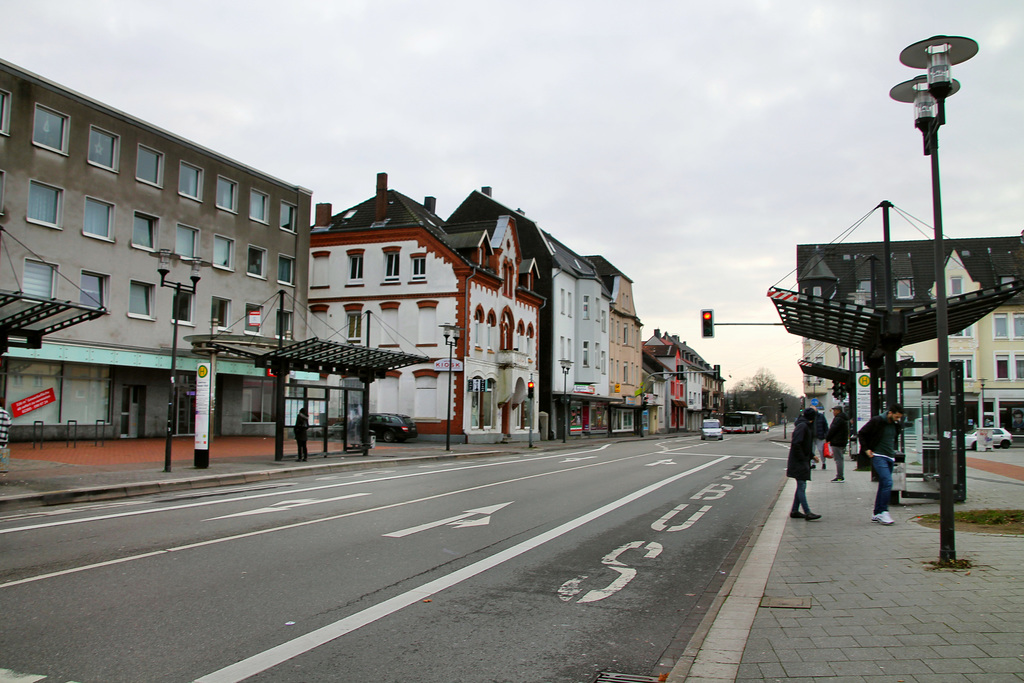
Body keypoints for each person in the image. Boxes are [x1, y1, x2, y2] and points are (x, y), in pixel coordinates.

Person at [857, 403, 905, 526]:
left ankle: (877, 513)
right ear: (890, 413)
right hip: (878, 456)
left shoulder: (895, 425)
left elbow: (893, 438)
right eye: (896, 417)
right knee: (888, 482)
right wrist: (866, 449)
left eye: (899, 418)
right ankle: (884, 511)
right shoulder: (877, 421)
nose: (897, 420)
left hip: (889, 456)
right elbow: (861, 433)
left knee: (884, 484)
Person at [787, 407, 822, 520]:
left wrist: (812, 456)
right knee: (802, 485)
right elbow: (797, 444)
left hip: (800, 460)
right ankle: (807, 512)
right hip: (799, 462)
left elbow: (803, 444)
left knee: (801, 485)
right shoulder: (803, 426)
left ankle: (795, 510)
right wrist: (803, 458)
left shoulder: (803, 425)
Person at [826, 405, 849, 483]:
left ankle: (839, 477)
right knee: (840, 458)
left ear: (838, 411)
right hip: (842, 441)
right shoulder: (844, 419)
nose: (833, 412)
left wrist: (827, 438)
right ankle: (840, 476)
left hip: (837, 441)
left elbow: (833, 430)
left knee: (838, 459)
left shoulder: (838, 419)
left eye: (834, 410)